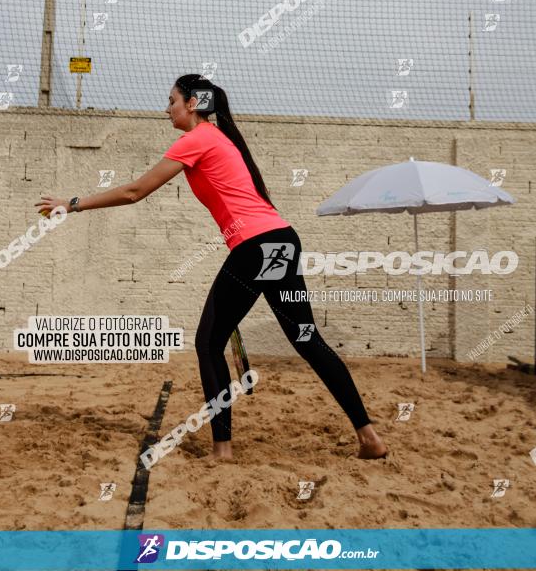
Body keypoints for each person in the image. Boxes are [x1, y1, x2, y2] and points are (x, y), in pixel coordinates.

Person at [36, 74, 387, 462]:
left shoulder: (197, 139)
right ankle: (369, 436)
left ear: (192, 103)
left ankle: (223, 450)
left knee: (207, 343)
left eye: (171, 100)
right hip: (282, 241)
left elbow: (135, 192)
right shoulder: (221, 139)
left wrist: (72, 204)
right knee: (307, 340)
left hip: (254, 247)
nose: (166, 107)